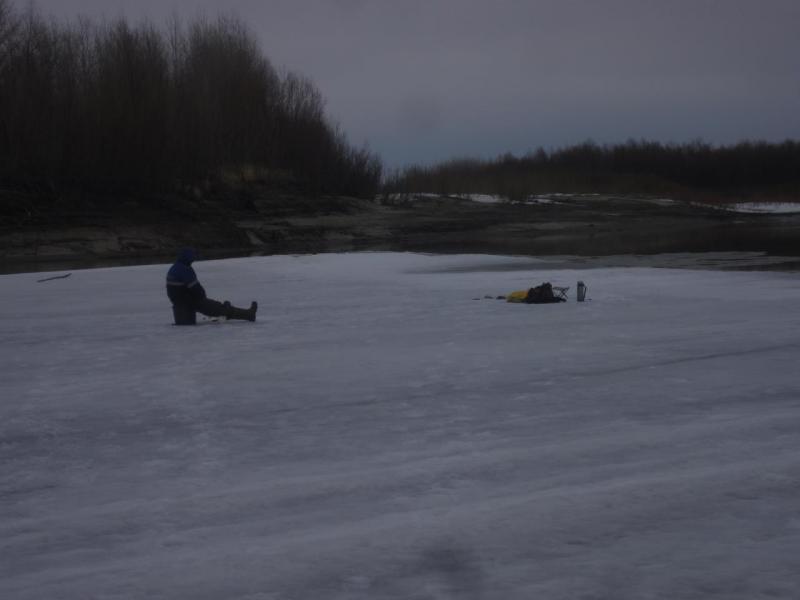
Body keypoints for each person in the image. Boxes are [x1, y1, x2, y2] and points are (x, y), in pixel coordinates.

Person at [166, 248, 257, 325]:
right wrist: (202, 298)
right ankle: (247, 314)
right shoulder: (184, 269)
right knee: (218, 309)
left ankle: (246, 314)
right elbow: (196, 288)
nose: (194, 258)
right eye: (193, 256)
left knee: (186, 324)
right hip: (189, 301)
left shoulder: (176, 267)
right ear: (187, 257)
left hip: (181, 303)